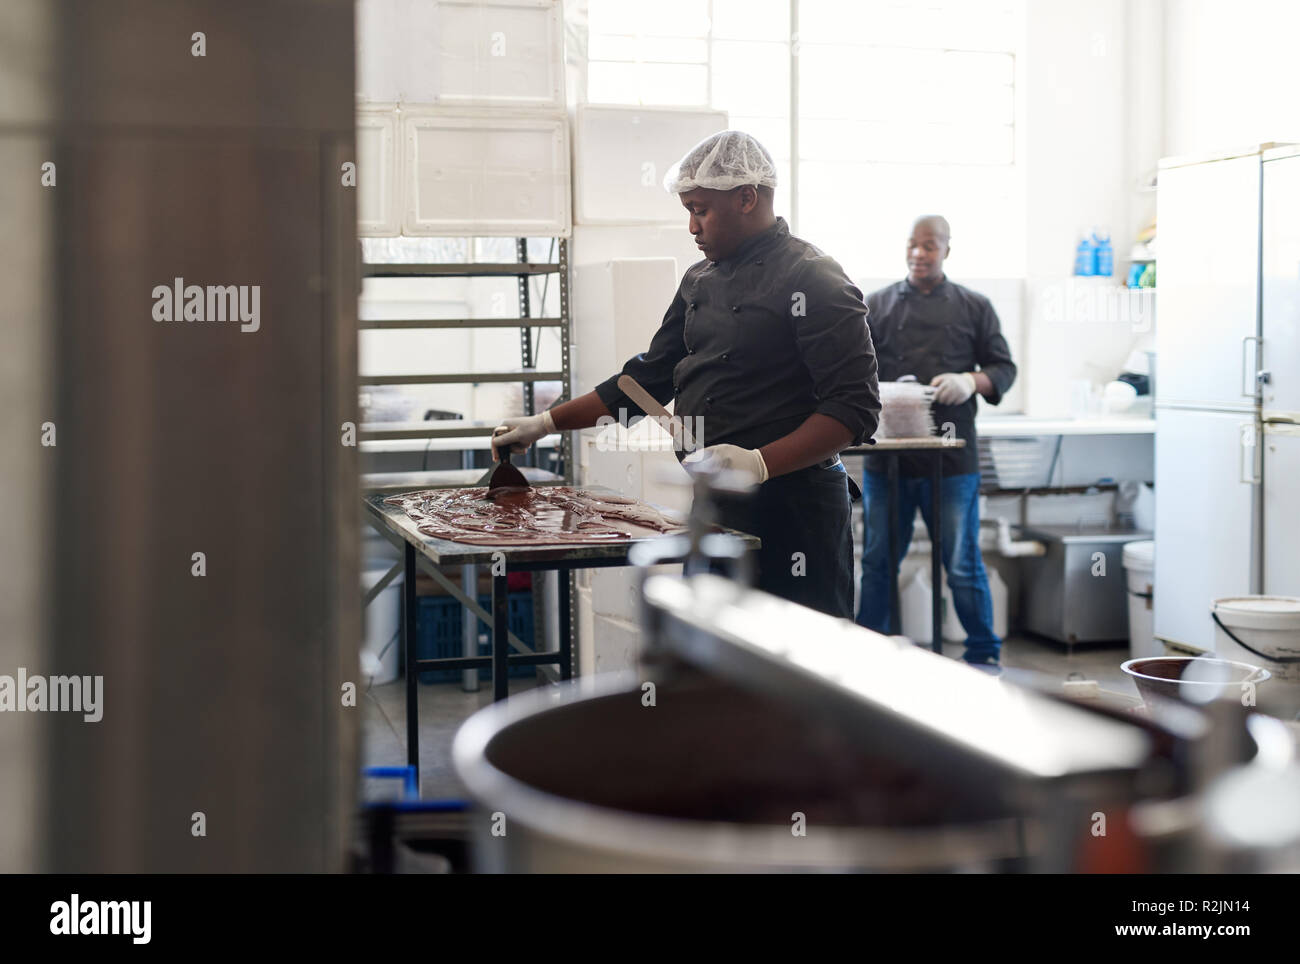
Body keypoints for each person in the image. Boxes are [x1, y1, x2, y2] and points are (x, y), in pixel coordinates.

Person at [492, 130, 880, 618]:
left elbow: (854, 408)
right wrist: (546, 424)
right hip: (716, 507)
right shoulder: (700, 278)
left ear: (746, 198)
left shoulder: (813, 277)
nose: (692, 227)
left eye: (701, 209)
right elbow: (645, 379)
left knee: (791, 675)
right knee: (711, 662)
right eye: (688, 212)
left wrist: (759, 462)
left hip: (796, 511)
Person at [856, 215, 1016, 669]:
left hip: (953, 461)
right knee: (878, 561)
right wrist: (889, 389)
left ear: (947, 249)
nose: (919, 253)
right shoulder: (878, 305)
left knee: (962, 564)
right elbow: (855, 371)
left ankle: (983, 655)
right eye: (912, 244)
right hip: (888, 460)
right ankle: (868, 653)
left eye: (929, 245)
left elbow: (1004, 368)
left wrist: (971, 380)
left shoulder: (974, 306)